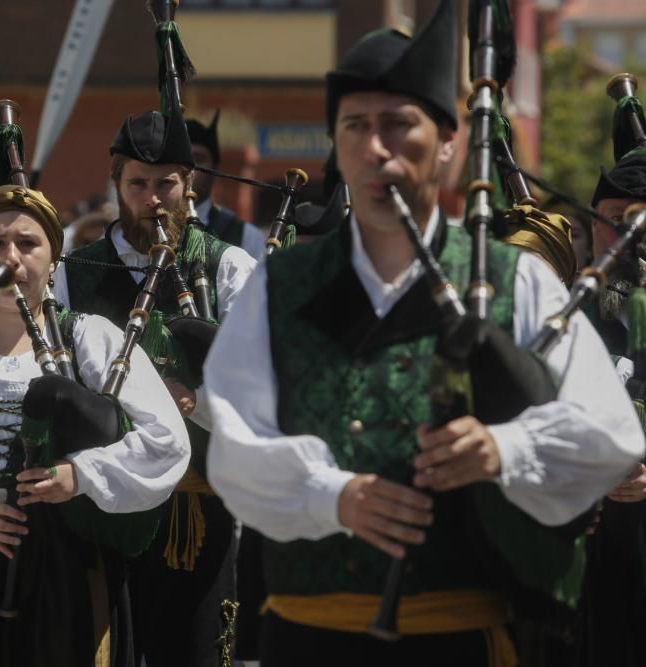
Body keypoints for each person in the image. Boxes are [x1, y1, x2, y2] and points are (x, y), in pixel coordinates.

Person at [203, 2, 645, 664]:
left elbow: (609, 437)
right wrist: (336, 495)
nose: (376, 147)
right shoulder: (278, 285)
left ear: (448, 141)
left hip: (460, 637)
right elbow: (233, 449)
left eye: (397, 124)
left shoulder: (515, 280)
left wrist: (504, 447)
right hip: (308, 638)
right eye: (355, 126)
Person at [0, 184, 189, 667]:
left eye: (28, 244)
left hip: (69, 564)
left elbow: (167, 440)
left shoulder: (89, 337)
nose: (11, 257)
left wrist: (81, 475)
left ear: (54, 263)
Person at [52, 110, 256, 666]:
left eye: (165, 183)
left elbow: (260, 389)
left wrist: (198, 402)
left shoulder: (228, 266)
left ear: (189, 185)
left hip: (199, 513)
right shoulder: (74, 271)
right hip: (102, 510)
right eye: (137, 184)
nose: (152, 198)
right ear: (116, 185)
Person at [575, 136, 646, 667]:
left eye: (635, 216)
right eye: (609, 217)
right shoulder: (566, 318)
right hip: (591, 570)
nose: (620, 233)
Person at [186, 111, 265, 260]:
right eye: (183, 160)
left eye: (199, 159)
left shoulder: (246, 237)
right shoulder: (149, 229)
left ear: (215, 170)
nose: (190, 170)